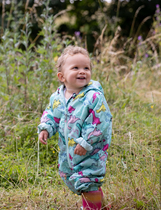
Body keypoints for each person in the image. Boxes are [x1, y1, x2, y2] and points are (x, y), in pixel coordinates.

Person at [38, 46, 112, 210]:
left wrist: (86, 142)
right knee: (72, 177)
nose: (82, 72)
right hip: (68, 150)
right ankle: (101, 206)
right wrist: (46, 128)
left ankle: (91, 208)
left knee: (88, 179)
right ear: (61, 76)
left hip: (90, 149)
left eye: (86, 68)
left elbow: (99, 121)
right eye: (76, 68)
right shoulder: (58, 96)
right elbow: (51, 114)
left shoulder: (93, 96)